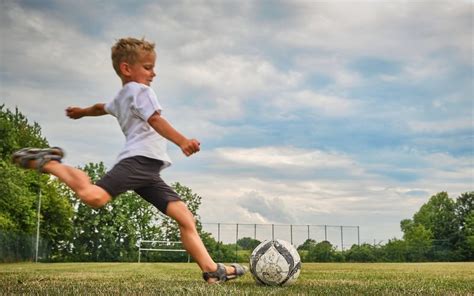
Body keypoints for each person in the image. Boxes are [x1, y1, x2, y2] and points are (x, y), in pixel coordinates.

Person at [12, 37, 246, 284]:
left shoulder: (122, 96)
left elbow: (101, 107)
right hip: (138, 161)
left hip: (149, 171)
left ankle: (213, 271)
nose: (153, 73)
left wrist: (81, 112)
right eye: (147, 67)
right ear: (126, 68)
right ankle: (50, 163)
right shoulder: (141, 91)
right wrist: (182, 141)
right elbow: (155, 120)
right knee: (94, 196)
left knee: (185, 217)